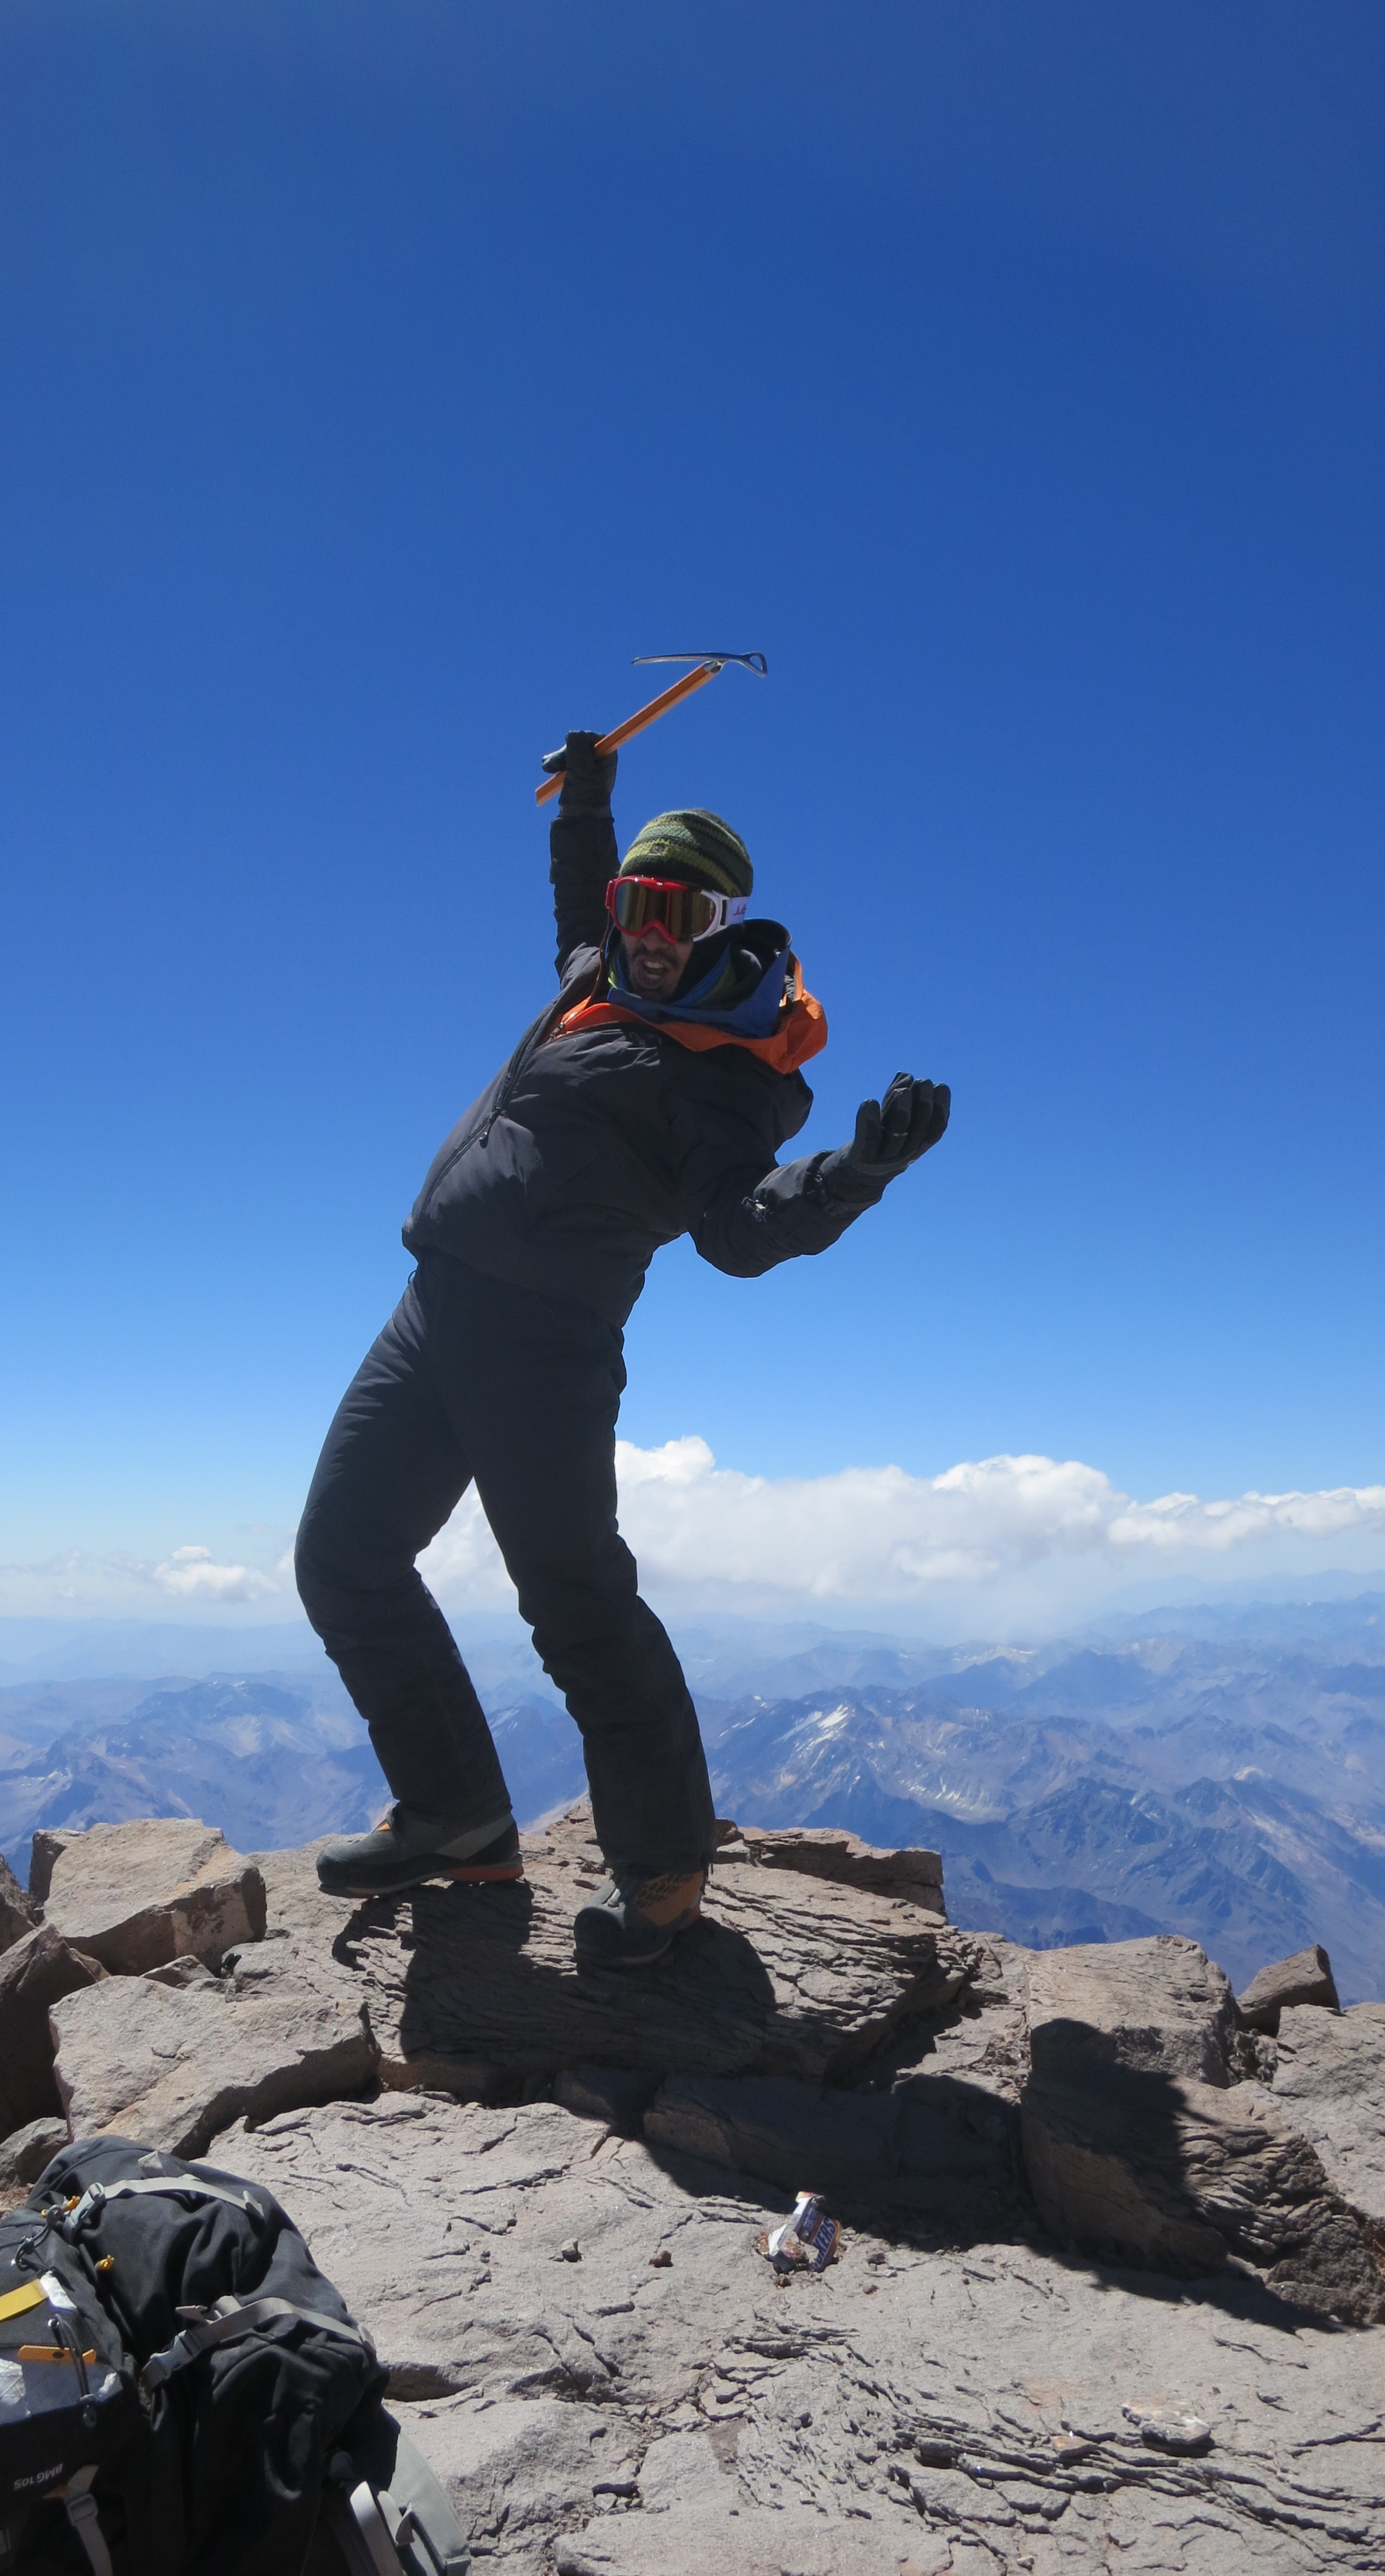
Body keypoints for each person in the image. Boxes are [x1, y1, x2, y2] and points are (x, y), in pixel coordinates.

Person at [293, 730, 950, 1969]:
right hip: (434, 1311)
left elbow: (744, 1232)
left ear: (723, 920)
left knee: (577, 1606)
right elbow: (578, 895)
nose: (649, 926)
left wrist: (856, 1176)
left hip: (545, 1344)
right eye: (638, 901)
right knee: (343, 1556)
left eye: (677, 907)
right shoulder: (603, 977)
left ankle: (662, 1875)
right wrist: (587, 802)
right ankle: (460, 1817)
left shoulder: (726, 1075)